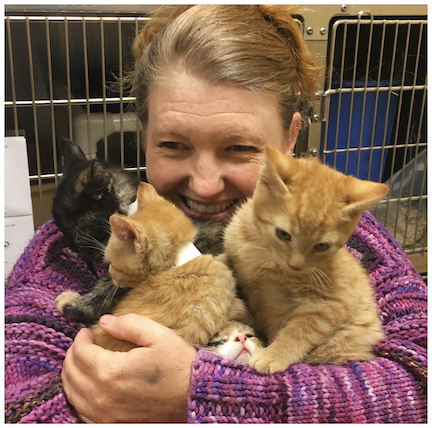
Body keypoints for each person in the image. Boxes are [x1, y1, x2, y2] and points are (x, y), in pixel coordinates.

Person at [5, 5, 426, 423]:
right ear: (143, 138)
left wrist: (207, 397)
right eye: (172, 145)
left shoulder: (344, 235)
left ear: (291, 137)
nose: (205, 185)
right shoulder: (78, 244)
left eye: (240, 148)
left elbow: (420, 379)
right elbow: (21, 403)